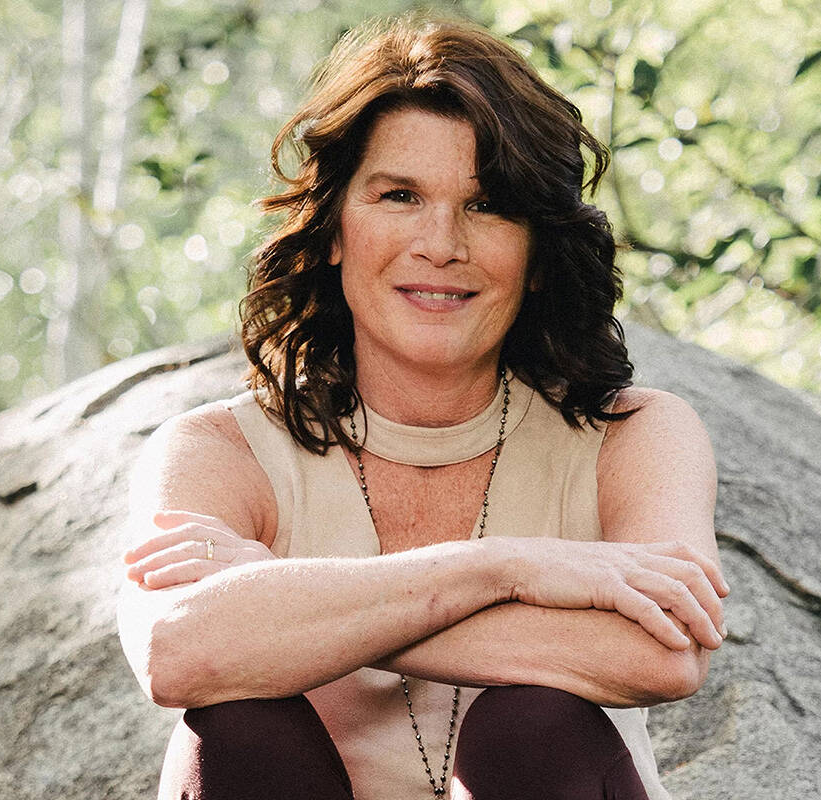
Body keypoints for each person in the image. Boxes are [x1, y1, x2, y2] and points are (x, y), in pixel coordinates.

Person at [116, 14, 728, 800]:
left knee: (533, 727)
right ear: (335, 229)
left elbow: (667, 651)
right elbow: (175, 648)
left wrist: (290, 601)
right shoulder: (219, 451)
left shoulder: (631, 435)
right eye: (400, 195)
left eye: (488, 205)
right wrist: (511, 568)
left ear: (539, 251)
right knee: (239, 733)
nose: (440, 244)